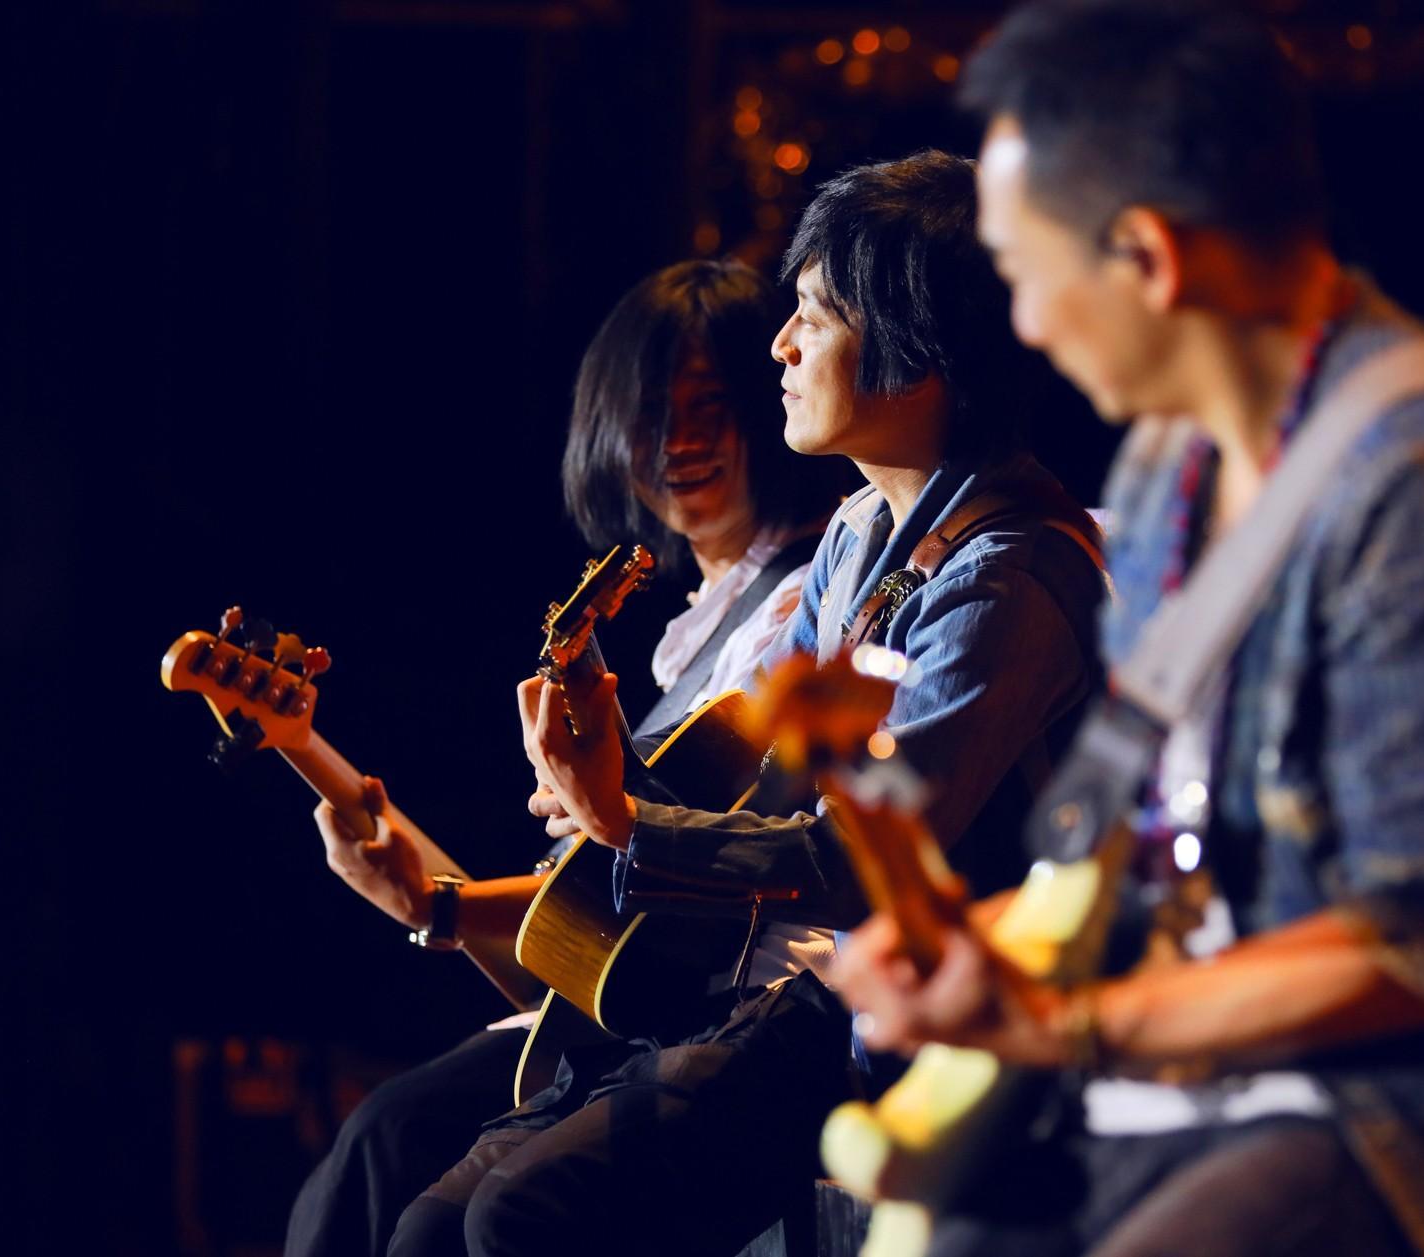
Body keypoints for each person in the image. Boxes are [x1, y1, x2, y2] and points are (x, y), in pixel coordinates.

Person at [833, 4, 1424, 1255]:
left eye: (1023, 275)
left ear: (1146, 256)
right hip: (1217, 1089)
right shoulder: (1161, 475)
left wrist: (1075, 1024)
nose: (1022, 327)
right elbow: (1148, 859)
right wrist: (978, 950)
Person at [388, 150, 1106, 1257]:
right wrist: (608, 782)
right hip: (782, 989)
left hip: (913, 1024)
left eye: (813, 315)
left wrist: (625, 819)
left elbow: (862, 861)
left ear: (917, 343)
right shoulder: (859, 534)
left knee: (522, 1213)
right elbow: (770, 793)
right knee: (434, 1218)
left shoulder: (1009, 577)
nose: (780, 345)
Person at [285, 258, 841, 1257]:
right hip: (635, 1010)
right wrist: (440, 904)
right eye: (647, 415)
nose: (675, 442)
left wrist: (458, 900)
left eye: (708, 408)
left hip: (736, 1014)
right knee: (379, 1146)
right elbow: (585, 928)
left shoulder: (805, 602)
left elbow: (705, 889)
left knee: (398, 1148)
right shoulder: (687, 642)